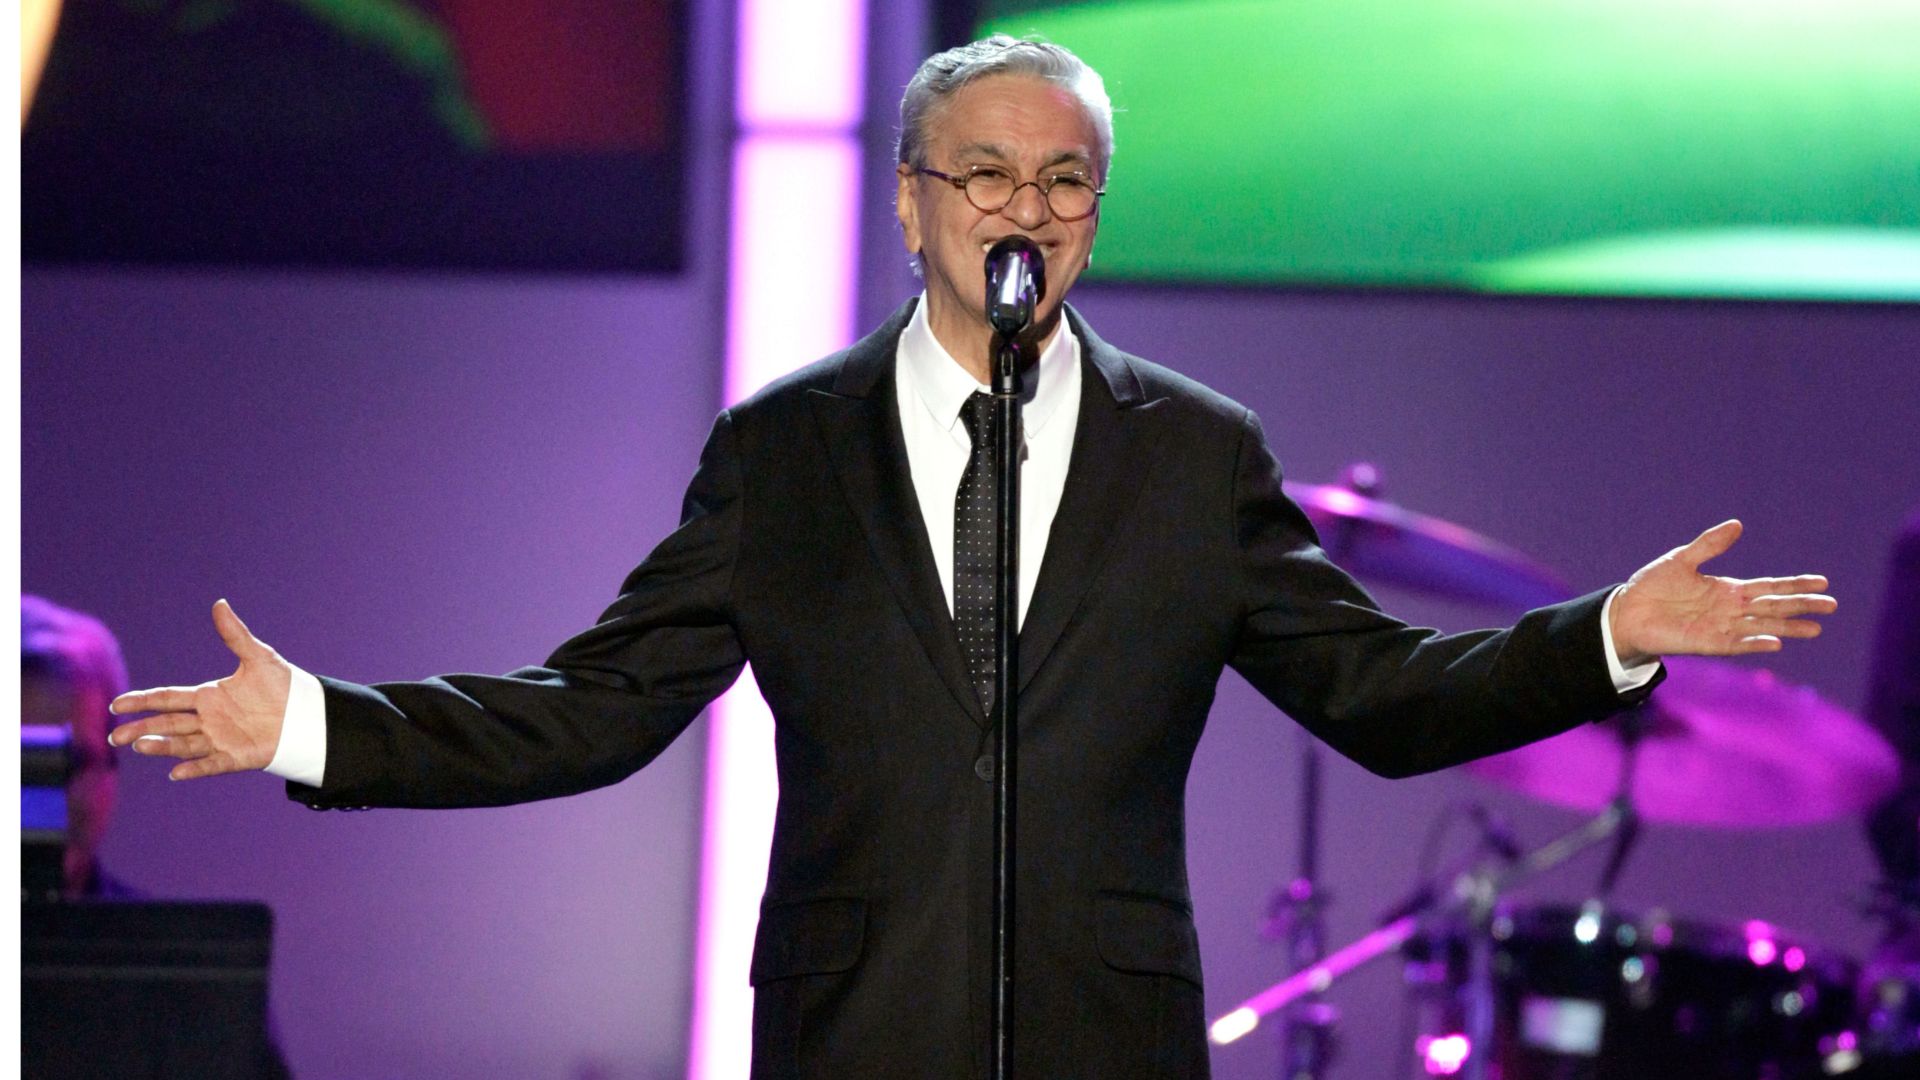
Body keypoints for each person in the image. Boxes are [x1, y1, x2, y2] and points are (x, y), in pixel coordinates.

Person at [109, 36, 1839, 1079]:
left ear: (1096, 208)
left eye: (1067, 180)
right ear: (915, 198)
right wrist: (317, 724)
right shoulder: (788, 451)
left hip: (1110, 1038)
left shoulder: (1196, 453)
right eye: (989, 174)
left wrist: (1602, 631)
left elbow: (1377, 692)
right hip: (859, 1031)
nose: (1029, 210)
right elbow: (599, 706)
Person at [22, 594, 134, 900]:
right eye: (23, 761)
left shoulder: (167, 947)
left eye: (70, 763)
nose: (45, 801)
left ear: (112, 772)